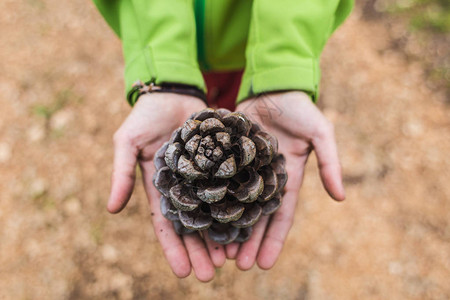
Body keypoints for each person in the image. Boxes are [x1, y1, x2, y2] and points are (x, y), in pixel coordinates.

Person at [93, 0, 353, 282]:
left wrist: (280, 71)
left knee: (243, 112)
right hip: (180, 55)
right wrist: (165, 68)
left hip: (254, 56)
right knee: (224, 113)